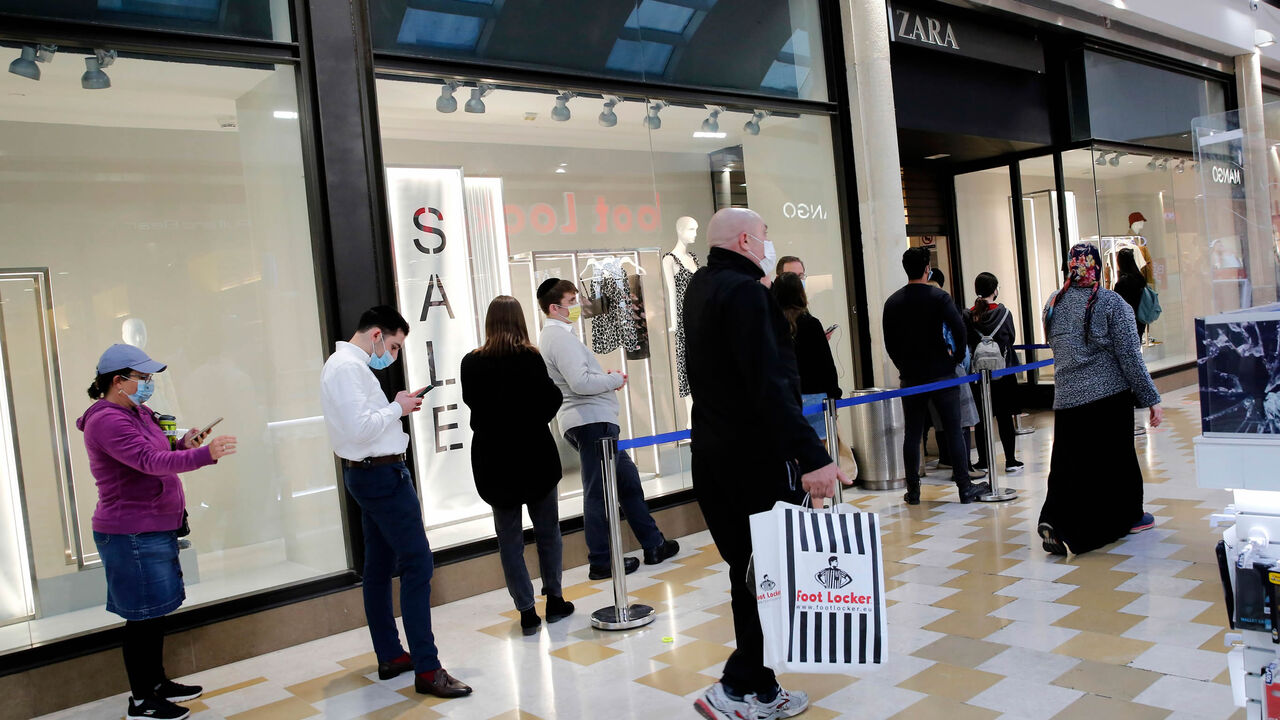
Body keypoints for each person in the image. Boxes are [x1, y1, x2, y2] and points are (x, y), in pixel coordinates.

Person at [684, 207, 850, 720]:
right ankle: (734, 689)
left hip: (712, 456)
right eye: (764, 238)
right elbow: (769, 384)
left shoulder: (700, 287)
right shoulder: (747, 293)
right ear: (746, 239)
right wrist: (813, 455)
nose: (768, 247)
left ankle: (761, 688)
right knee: (768, 572)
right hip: (753, 460)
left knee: (751, 571)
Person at [78, 344, 237, 720]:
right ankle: (140, 700)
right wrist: (204, 455)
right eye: (143, 378)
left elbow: (162, 449)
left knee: (155, 613)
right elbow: (149, 462)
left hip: (154, 527)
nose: (148, 384)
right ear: (118, 381)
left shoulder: (139, 412)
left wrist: (186, 444)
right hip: (131, 532)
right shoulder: (107, 420)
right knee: (142, 617)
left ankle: (157, 682)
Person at [320, 306, 472, 699]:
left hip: (369, 473)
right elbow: (361, 427)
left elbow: (363, 423)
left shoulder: (345, 366)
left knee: (379, 566)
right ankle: (428, 668)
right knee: (417, 564)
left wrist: (394, 405)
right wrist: (397, 408)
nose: (393, 354)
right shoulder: (348, 368)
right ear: (374, 335)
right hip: (380, 476)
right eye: (393, 345)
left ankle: (390, 654)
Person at [536, 279, 679, 580]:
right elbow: (581, 383)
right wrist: (614, 379)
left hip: (592, 420)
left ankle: (654, 544)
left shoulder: (561, 336)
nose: (577, 306)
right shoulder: (558, 338)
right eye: (572, 301)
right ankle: (601, 560)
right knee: (597, 491)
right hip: (589, 422)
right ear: (554, 307)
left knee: (626, 480)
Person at [1037, 244, 1162, 556]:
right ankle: (1119, 520)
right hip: (1106, 399)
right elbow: (1130, 357)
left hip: (1066, 399)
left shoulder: (1054, 302)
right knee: (1114, 462)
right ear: (1096, 268)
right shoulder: (1110, 303)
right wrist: (1151, 398)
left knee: (1067, 466)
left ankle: (1055, 519)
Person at [460, 296, 574, 636]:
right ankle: (554, 599)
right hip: (534, 454)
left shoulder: (471, 362)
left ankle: (526, 611)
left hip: (494, 460)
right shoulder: (530, 358)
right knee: (547, 533)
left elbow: (472, 404)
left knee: (509, 539)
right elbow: (551, 397)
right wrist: (533, 419)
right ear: (519, 321)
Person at [883, 247, 991, 505]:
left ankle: (913, 491)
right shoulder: (939, 297)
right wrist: (953, 360)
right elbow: (960, 329)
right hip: (943, 373)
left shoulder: (893, 302)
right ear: (926, 269)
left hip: (911, 376)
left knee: (912, 432)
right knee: (954, 429)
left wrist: (903, 365)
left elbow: (890, 343)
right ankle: (964, 488)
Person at [965, 272, 1023, 474]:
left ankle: (983, 461)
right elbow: (1011, 338)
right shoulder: (1004, 314)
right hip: (1003, 372)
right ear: (995, 290)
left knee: (982, 418)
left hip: (979, 375)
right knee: (1005, 417)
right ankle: (1010, 460)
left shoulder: (969, 315)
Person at [772, 271, 840, 440]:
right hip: (815, 398)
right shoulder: (811, 324)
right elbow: (826, 365)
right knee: (817, 454)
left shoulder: (770, 325)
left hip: (783, 399)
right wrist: (835, 395)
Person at [1113, 248, 1147, 339]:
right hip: (1140, 318)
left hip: (1127, 321)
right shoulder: (1139, 278)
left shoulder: (1123, 282)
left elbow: (1116, 302)